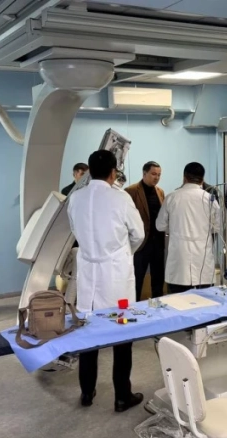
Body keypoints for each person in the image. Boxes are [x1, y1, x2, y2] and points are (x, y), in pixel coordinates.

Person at [67, 150, 145, 411]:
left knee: (89, 335)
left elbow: (75, 230)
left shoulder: (75, 198)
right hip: (116, 279)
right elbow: (138, 234)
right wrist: (123, 253)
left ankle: (86, 393)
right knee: (122, 335)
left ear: (89, 172)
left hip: (89, 275)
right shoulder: (120, 198)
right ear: (114, 173)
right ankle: (122, 396)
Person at [157, 162, 221, 294]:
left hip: (179, 261)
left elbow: (160, 226)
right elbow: (217, 228)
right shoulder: (210, 199)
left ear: (184, 178)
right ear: (202, 180)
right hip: (203, 261)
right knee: (205, 301)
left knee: (177, 301)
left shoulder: (172, 197)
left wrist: (174, 228)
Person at [125, 161, 165, 299]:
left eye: (159, 175)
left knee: (158, 278)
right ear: (144, 173)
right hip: (141, 243)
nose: (156, 177)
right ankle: (133, 303)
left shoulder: (160, 192)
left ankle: (158, 304)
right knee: (137, 278)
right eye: (153, 174)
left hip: (158, 242)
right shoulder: (131, 191)